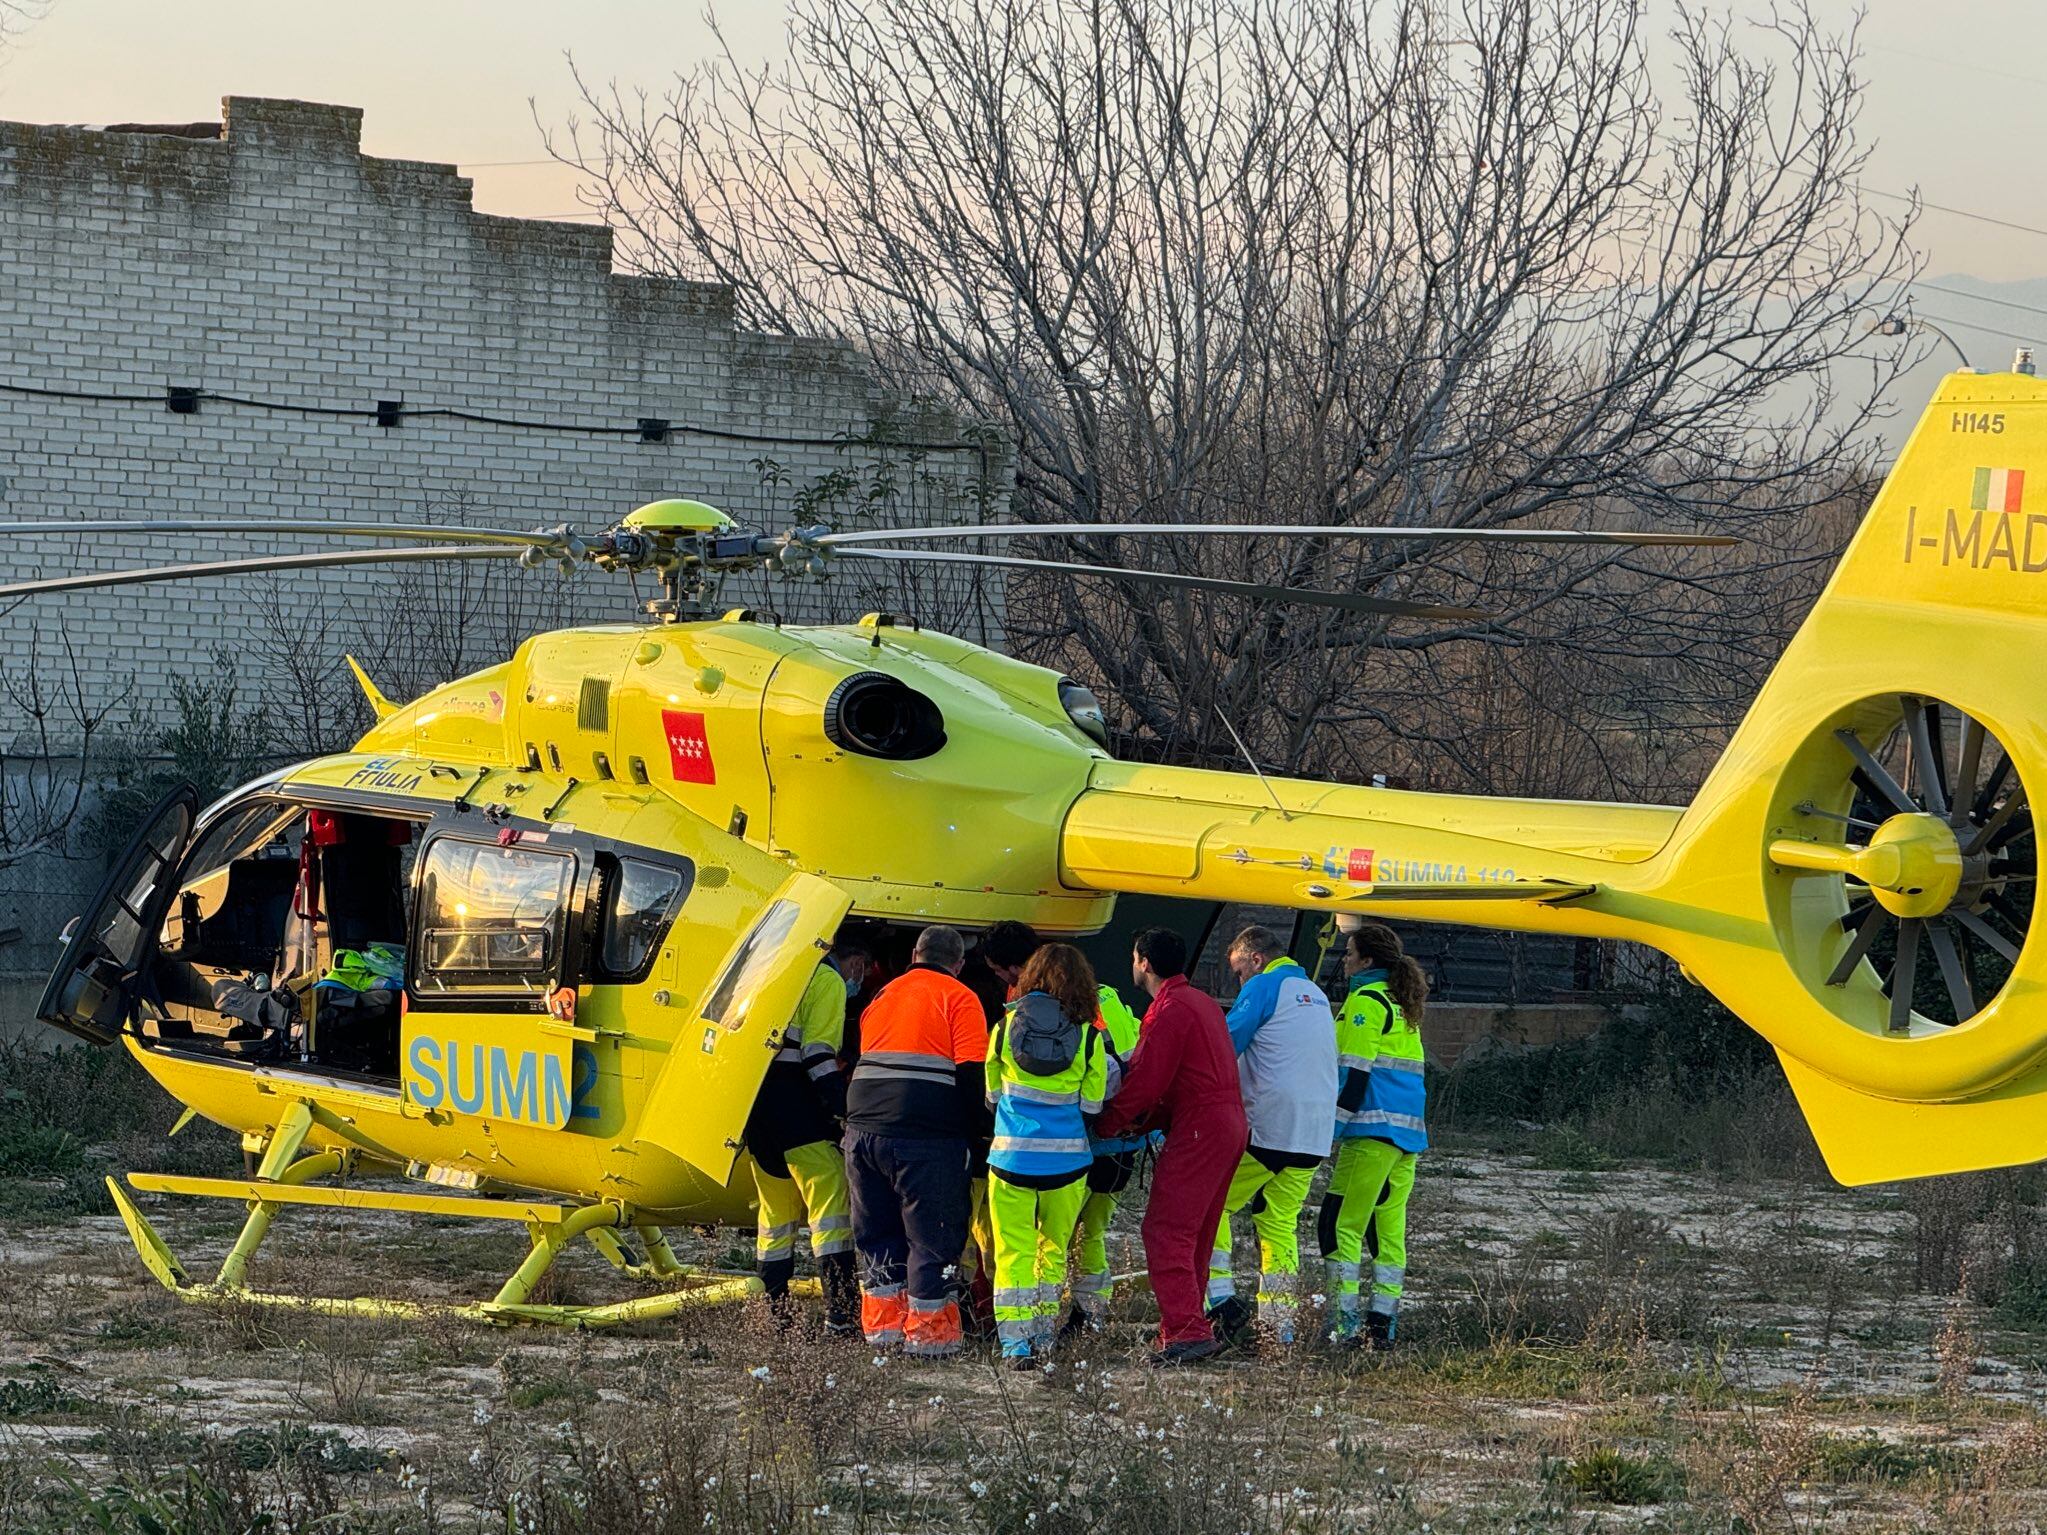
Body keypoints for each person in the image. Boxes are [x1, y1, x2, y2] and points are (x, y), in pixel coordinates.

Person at [1093, 928, 1248, 1365]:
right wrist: (1149, 1120)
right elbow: (1186, 1077)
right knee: (1196, 1230)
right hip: (1228, 1123)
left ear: (1143, 962)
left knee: (1165, 1230)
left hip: (1200, 1127)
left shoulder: (1168, 1010)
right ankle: (1187, 1321)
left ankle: (1185, 1330)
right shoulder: (1202, 1003)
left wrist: (1110, 1123)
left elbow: (1148, 1080)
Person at [844, 924, 987, 1357]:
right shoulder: (961, 998)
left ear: (914, 955)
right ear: (958, 964)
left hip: (863, 1130)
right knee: (932, 1235)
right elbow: (972, 1076)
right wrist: (977, 1134)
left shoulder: (883, 996)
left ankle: (883, 1334)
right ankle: (930, 1338)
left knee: (876, 1231)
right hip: (926, 1135)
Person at [1208, 926, 1338, 1347]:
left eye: (1238, 971)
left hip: (1270, 1128)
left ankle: (1219, 1302)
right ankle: (1278, 1329)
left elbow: (1223, 1045)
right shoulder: (1314, 993)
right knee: (1278, 1221)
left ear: (1256, 959)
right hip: (1314, 1134)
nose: (1238, 981)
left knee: (1211, 1201)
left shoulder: (1265, 986)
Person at [984, 942, 1108, 1367]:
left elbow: (992, 1095)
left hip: (1011, 1159)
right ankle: (1042, 1338)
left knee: (1013, 1251)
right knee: (1053, 1249)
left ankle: (1014, 1345)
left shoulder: (1004, 1027)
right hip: (1067, 1163)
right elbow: (1093, 1106)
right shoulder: (1089, 1037)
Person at [745, 937, 870, 1332]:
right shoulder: (827, 980)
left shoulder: (773, 970)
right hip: (798, 1112)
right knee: (831, 1215)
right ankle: (841, 1315)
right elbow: (817, 1056)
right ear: (855, 961)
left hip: (755, 1111)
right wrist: (844, 1109)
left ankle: (774, 1314)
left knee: (775, 1219)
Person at [1318, 922, 1428, 1349]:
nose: (1344, 961)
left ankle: (1342, 1327)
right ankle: (1382, 1327)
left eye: (1348, 953)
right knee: (1386, 1233)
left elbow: (1354, 1074)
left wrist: (1329, 1131)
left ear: (1366, 961)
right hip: (1406, 1138)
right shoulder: (1402, 1002)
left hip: (1371, 1131)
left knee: (1338, 1225)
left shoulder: (1365, 1001)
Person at [954, 920, 1041, 1331]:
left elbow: (987, 1081)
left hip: (1001, 1137)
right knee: (1008, 1234)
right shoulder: (1065, 997)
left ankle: (983, 1312)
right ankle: (999, 1313)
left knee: (985, 1229)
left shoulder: (1010, 1010)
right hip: (1038, 1140)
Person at [1065, 978, 1147, 1336]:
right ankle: (1092, 1313)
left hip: (1088, 1144)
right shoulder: (1117, 1005)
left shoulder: (1070, 1012)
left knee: (1057, 1231)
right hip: (1124, 1147)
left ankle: (1046, 1313)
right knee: (1093, 1231)